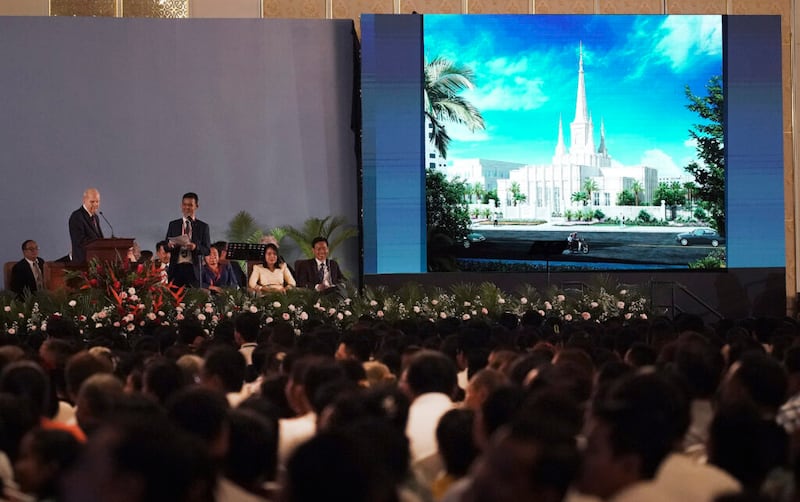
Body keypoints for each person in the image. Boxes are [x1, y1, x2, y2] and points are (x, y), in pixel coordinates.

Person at [165, 192, 211, 288]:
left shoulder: (203, 226)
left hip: (193, 269)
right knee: (174, 296)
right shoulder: (173, 225)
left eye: (190, 205)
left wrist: (195, 247)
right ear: (181, 206)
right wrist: (170, 245)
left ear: (196, 206)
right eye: (184, 205)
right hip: (176, 269)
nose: (187, 208)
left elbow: (207, 250)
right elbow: (166, 246)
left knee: (194, 296)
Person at [68, 188, 103, 264]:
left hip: (96, 262)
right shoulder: (77, 216)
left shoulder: (96, 217)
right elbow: (79, 241)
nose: (95, 204)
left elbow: (99, 239)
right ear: (84, 200)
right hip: (82, 263)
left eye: (97, 201)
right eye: (92, 202)